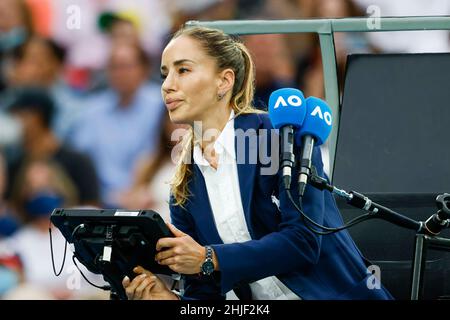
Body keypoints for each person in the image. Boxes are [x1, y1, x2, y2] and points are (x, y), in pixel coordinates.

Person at [122, 26, 393, 300]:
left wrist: (210, 257)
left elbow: (303, 242)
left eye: (183, 70)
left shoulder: (281, 136)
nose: (167, 85)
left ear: (224, 81)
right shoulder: (182, 185)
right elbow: (204, 292)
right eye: (164, 74)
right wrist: (170, 299)